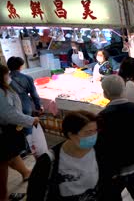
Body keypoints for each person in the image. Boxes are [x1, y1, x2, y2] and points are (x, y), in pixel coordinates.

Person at [97, 75, 134, 200]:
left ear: (105, 93)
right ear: (123, 90)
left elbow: (102, 148)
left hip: (115, 171)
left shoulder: (103, 116)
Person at [27, 111, 102, 201]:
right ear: (71, 135)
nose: (93, 136)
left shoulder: (98, 151)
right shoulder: (48, 161)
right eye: (88, 132)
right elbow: (35, 195)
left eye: (95, 131)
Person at [0, 64, 40, 201]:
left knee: (11, 153)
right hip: (4, 131)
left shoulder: (5, 89)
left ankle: (26, 172)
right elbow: (8, 114)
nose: (8, 77)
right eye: (6, 75)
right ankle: (3, 196)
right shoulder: (1, 92)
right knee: (3, 162)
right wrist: (30, 120)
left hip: (8, 130)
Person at [7, 57, 43, 152]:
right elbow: (34, 95)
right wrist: (39, 107)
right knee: (28, 128)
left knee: (15, 130)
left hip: (12, 108)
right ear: (20, 66)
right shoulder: (27, 78)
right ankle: (31, 149)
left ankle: (20, 150)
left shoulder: (5, 80)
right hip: (26, 106)